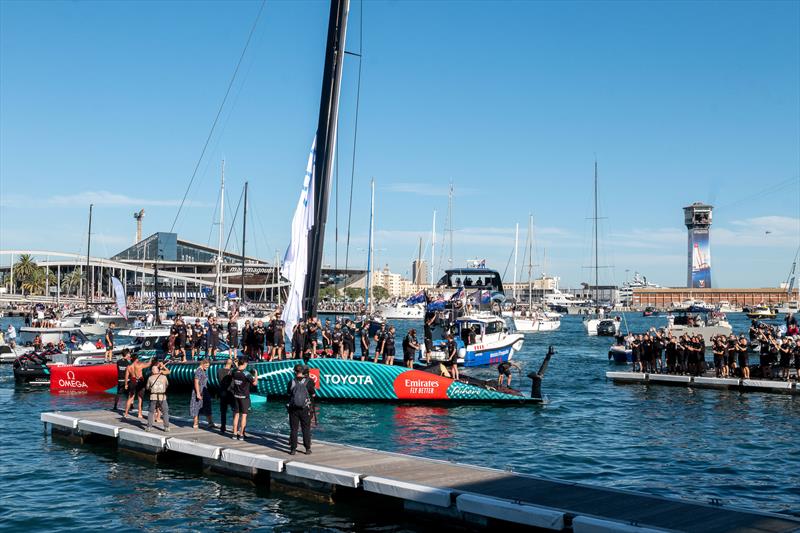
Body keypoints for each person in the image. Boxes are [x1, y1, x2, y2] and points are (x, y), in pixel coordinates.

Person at [286, 364, 315, 455]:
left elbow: (288, 394)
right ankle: (307, 448)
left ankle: (293, 449)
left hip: (293, 408)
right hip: (305, 408)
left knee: (294, 429)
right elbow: (313, 394)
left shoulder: (291, 381)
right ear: (303, 371)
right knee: (306, 428)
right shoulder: (309, 381)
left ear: (295, 372)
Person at [231, 358, 258, 441]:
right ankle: (241, 435)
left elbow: (236, 370)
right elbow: (255, 383)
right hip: (244, 397)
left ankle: (234, 434)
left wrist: (236, 365)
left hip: (236, 396)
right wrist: (256, 374)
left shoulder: (234, 372)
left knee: (236, 415)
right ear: (245, 363)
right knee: (243, 416)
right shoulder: (247, 374)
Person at [145, 360, 171, 432]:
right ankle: (166, 427)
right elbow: (167, 385)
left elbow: (147, 387)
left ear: (152, 371)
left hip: (153, 396)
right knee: (165, 412)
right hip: (162, 396)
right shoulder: (164, 377)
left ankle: (149, 427)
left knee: (151, 412)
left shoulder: (150, 378)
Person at [190, 359, 215, 429]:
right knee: (196, 406)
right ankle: (195, 423)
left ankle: (210, 422)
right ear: (202, 364)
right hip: (199, 391)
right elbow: (196, 382)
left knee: (207, 406)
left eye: (208, 366)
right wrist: (198, 393)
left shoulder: (204, 370)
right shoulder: (198, 371)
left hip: (204, 391)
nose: (207, 367)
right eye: (206, 365)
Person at [123, 354, 147, 419]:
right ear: (136, 359)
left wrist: (125, 384)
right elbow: (148, 364)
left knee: (130, 398)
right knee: (140, 398)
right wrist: (150, 360)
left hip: (132, 382)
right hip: (140, 382)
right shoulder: (140, 365)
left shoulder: (129, 367)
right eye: (138, 359)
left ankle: (126, 413)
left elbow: (126, 376)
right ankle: (139, 414)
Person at [218, 357, 235, 434]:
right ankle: (235, 428)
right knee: (235, 411)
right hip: (231, 393)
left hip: (222, 393)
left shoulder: (219, 371)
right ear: (231, 364)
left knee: (223, 412)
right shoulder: (232, 372)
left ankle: (223, 427)